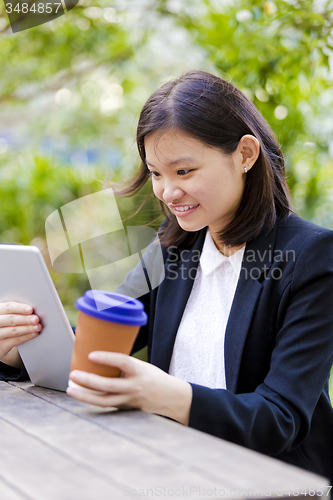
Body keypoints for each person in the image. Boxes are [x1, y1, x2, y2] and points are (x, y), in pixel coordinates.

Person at [1, 70, 333, 484]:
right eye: (156, 173)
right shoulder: (173, 246)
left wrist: (171, 397)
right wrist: (20, 349)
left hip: (271, 483)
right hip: (172, 469)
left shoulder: (312, 256)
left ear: (246, 154)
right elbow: (100, 347)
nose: (167, 192)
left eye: (184, 171)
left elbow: (281, 418)